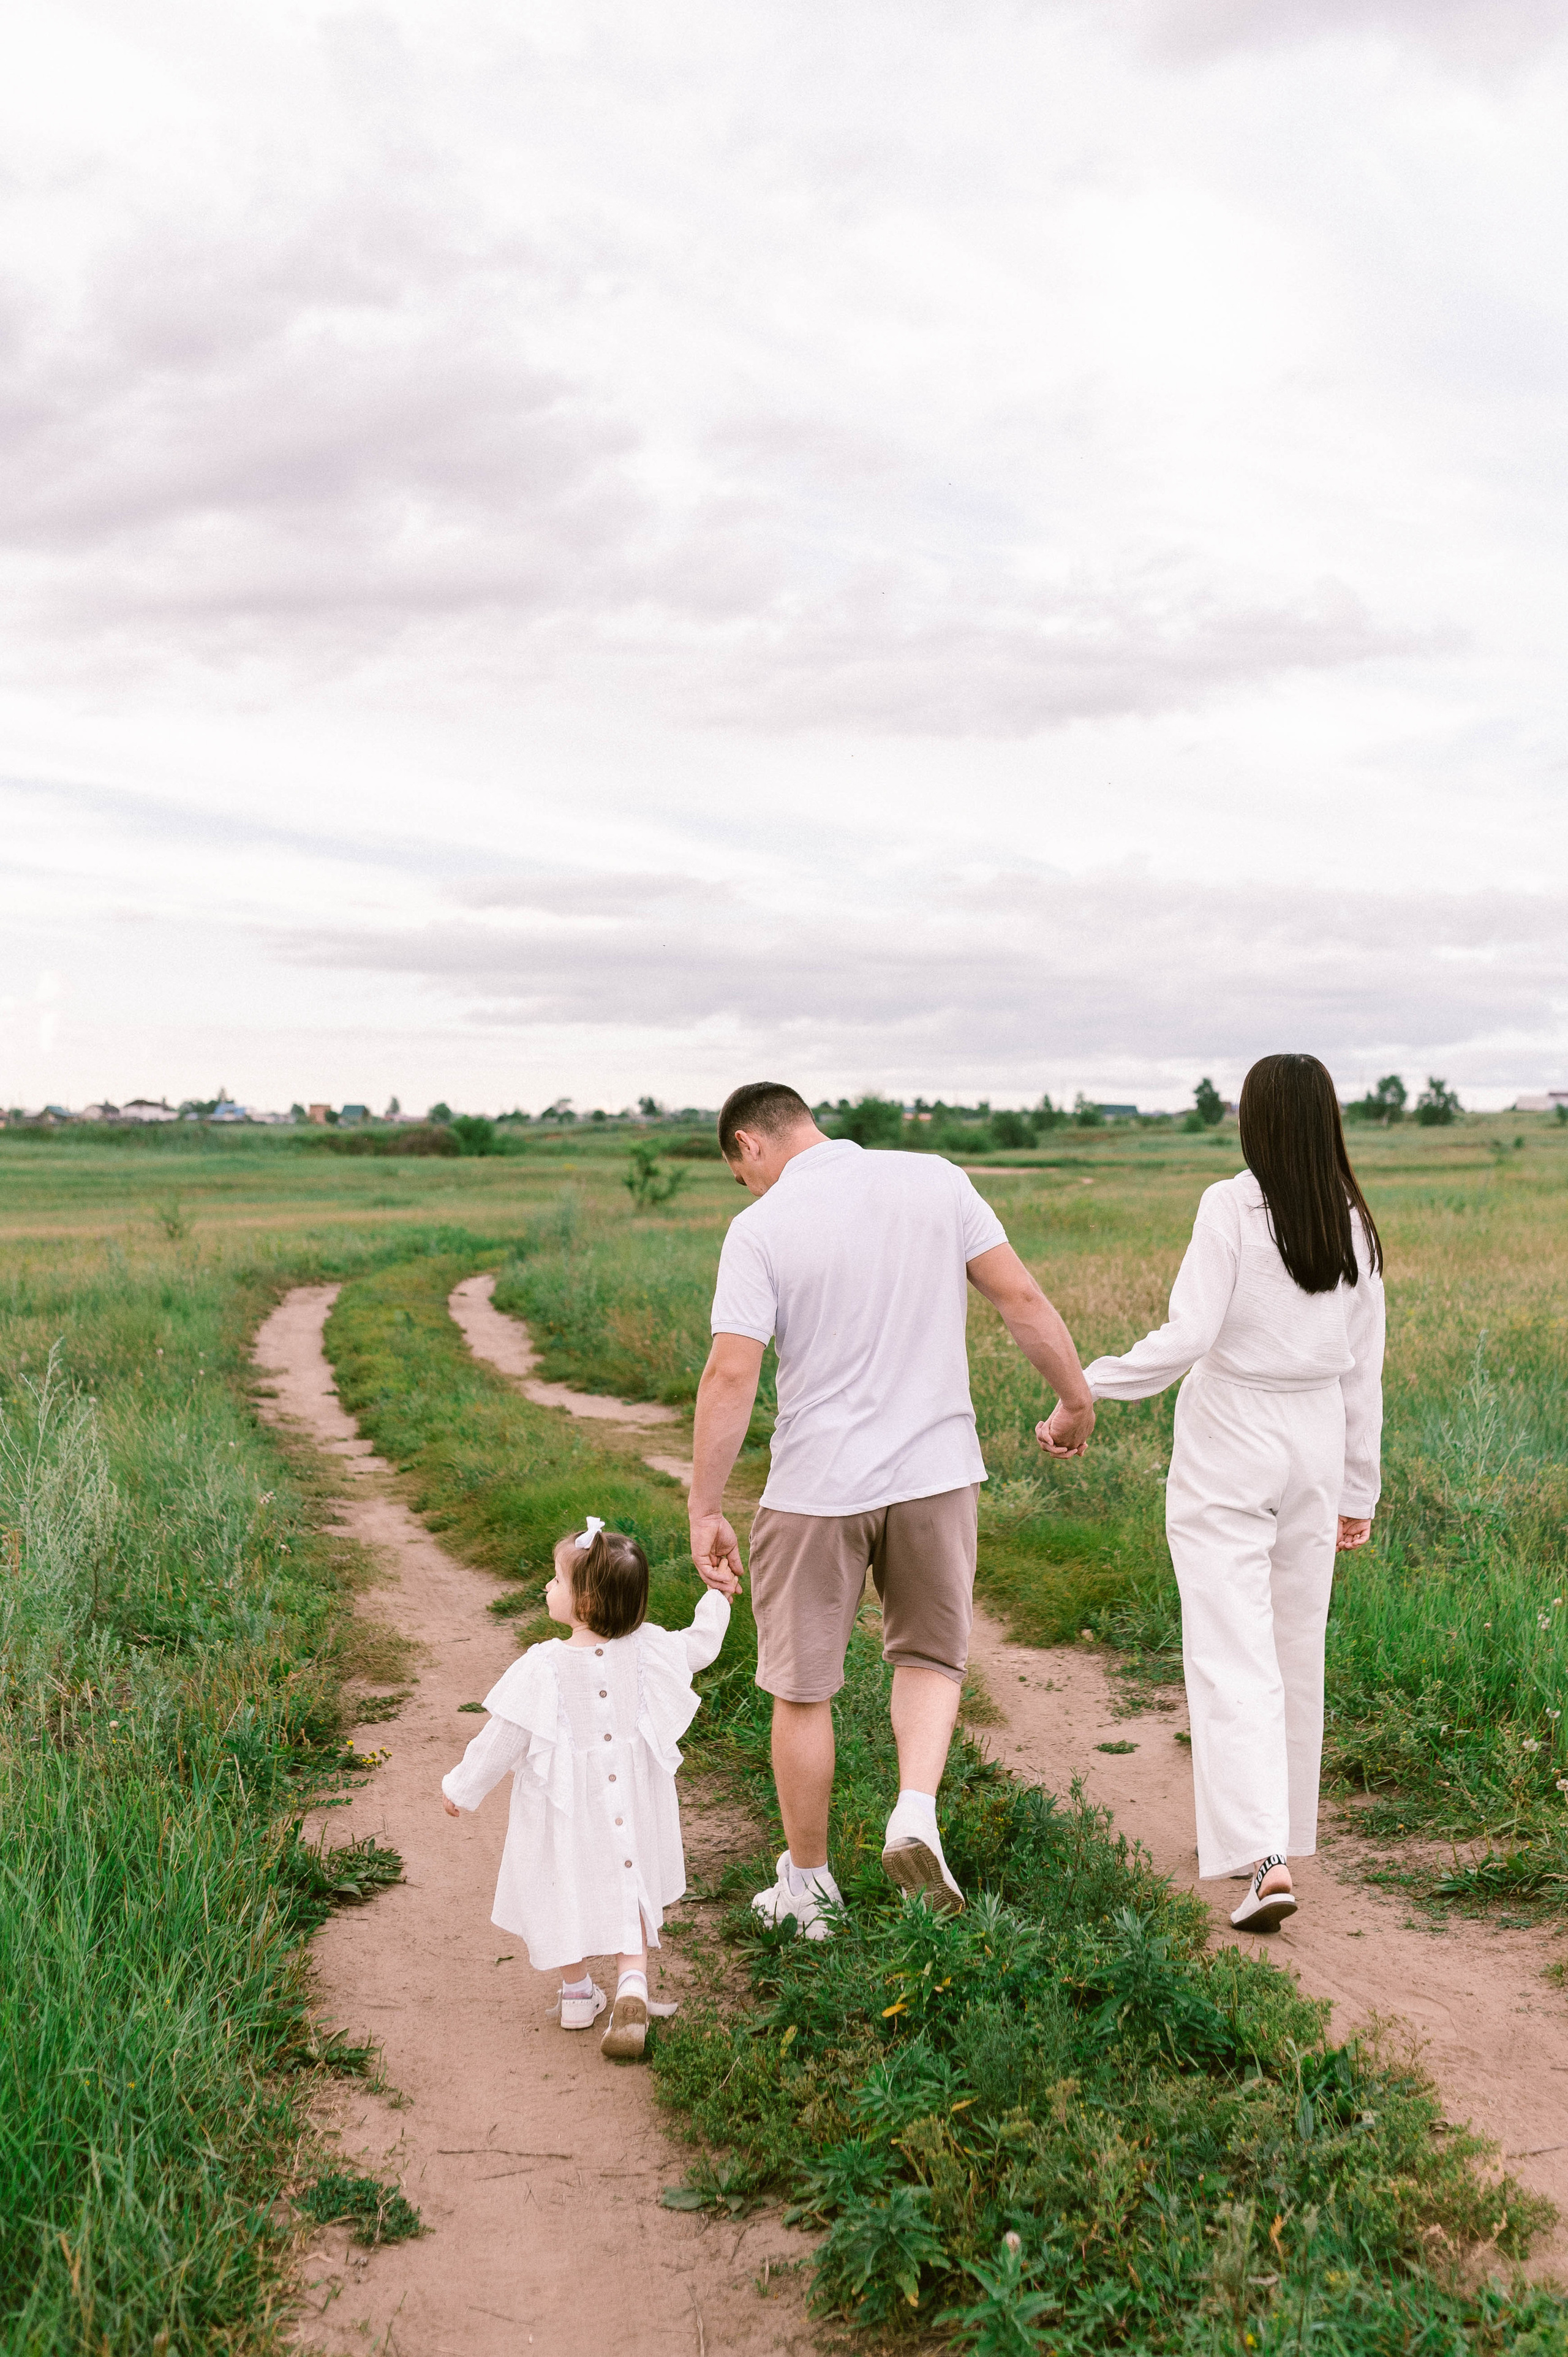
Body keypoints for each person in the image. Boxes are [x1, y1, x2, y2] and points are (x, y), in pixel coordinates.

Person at [688, 1080, 1095, 1934]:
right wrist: (1076, 1400)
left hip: (815, 1486)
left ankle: (808, 1886)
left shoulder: (759, 1228)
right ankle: (914, 1809)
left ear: (748, 1146)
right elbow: (1019, 1296)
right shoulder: (937, 1179)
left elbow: (732, 1372)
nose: (748, 1187)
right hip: (936, 1471)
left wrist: (706, 1506)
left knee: (802, 1689)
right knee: (930, 1656)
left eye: (741, 1173)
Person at [1044, 1053, 1384, 1934]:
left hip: (1232, 1436)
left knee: (1232, 1650)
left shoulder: (1230, 1204)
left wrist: (1086, 1385)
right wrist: (1360, 1486)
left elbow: (1189, 1331)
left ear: (1255, 1120)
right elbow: (1364, 1371)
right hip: (1315, 1441)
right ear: (1327, 1119)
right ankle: (1283, 1839)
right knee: (1293, 1646)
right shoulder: (1354, 1219)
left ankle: (1263, 1855)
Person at [441, 1517, 729, 2060]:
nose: (547, 1587)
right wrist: (717, 1597)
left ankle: (577, 1993)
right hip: (631, 1806)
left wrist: (462, 1787)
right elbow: (701, 1647)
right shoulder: (649, 1648)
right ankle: (632, 1985)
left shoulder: (542, 1666)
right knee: (630, 1874)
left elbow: (502, 1737)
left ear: (588, 1601)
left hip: (565, 1813)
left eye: (556, 1579)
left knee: (561, 1881)